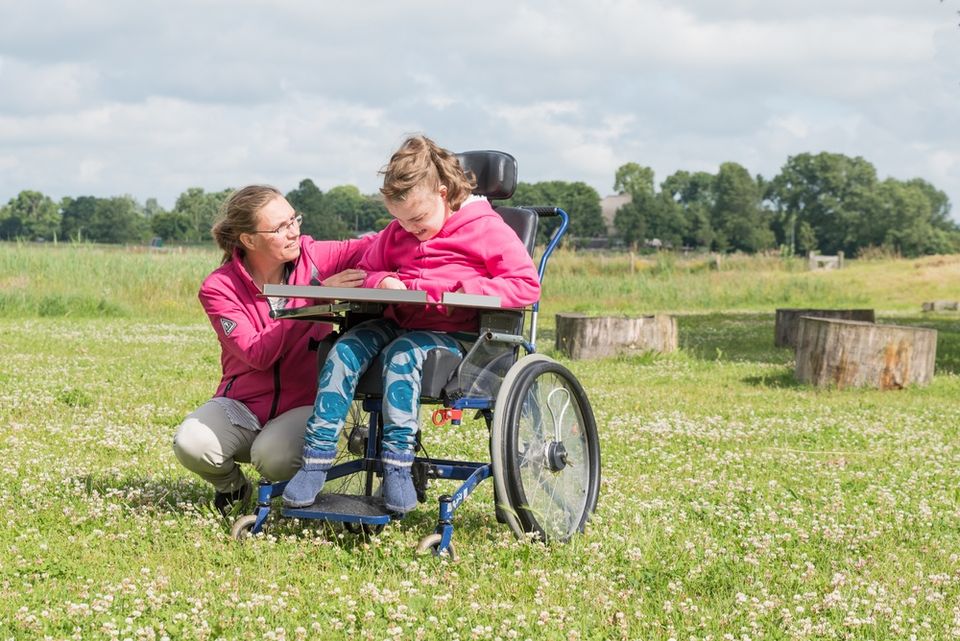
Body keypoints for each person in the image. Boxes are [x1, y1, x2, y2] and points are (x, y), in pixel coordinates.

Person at [282, 135, 541, 514]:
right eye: (400, 220)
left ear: (443, 192)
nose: (410, 229)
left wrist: (450, 288)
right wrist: (381, 282)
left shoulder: (487, 229)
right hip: (395, 320)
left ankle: (399, 467)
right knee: (344, 350)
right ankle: (316, 460)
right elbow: (367, 270)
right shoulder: (397, 232)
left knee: (404, 355)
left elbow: (525, 285)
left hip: (457, 336)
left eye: (418, 219)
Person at [173, 185, 374, 516]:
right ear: (249, 240)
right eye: (281, 227)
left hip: (305, 404)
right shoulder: (218, 288)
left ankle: (294, 476)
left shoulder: (316, 257)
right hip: (242, 404)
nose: (295, 231)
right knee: (191, 443)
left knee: (273, 458)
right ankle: (232, 487)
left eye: (294, 219)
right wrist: (312, 297)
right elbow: (258, 354)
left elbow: (377, 244)